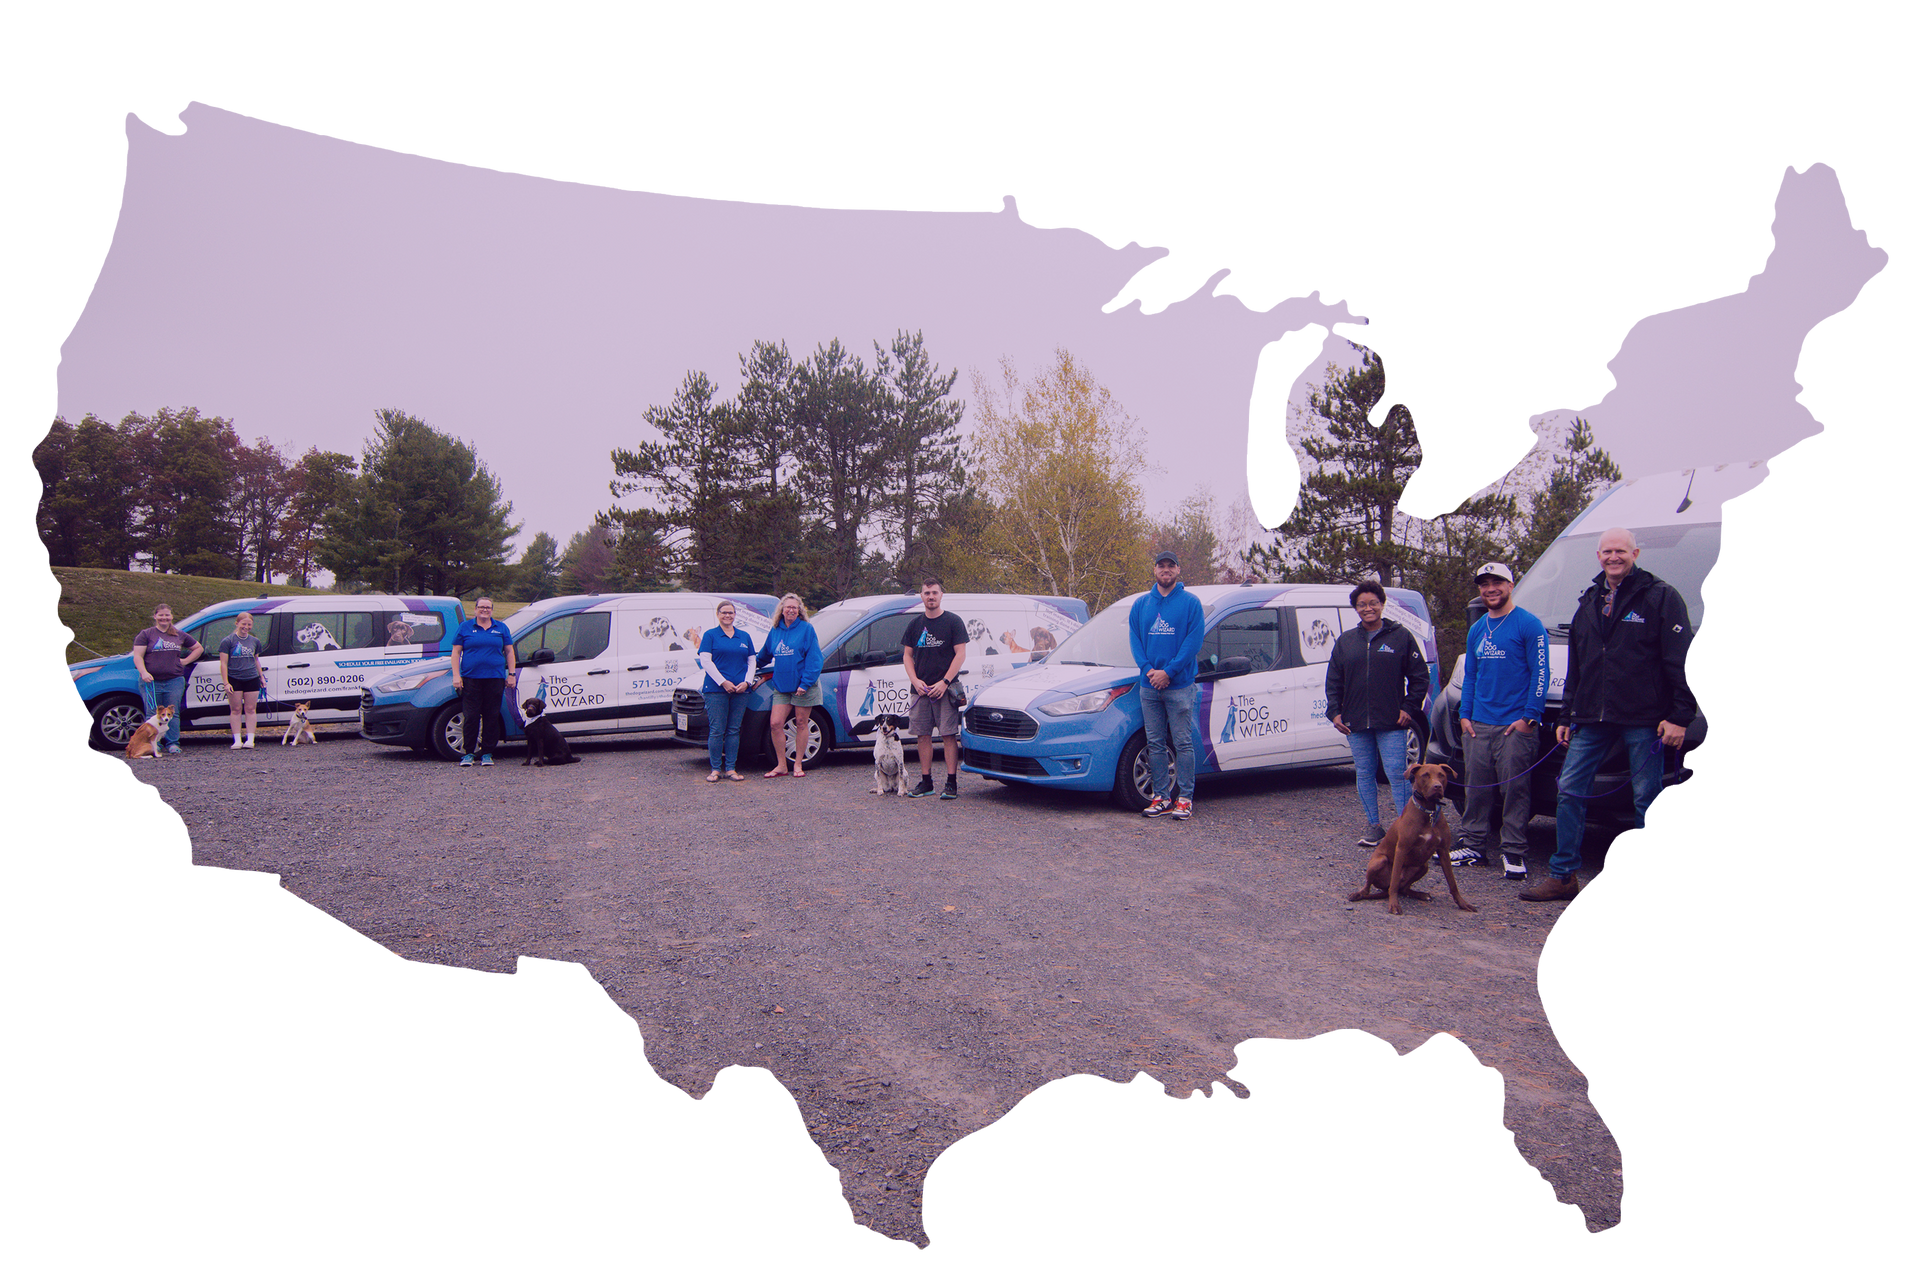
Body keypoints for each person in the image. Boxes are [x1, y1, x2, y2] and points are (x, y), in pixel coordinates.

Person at [1525, 527, 1695, 902]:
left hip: (1644, 718)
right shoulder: (1589, 601)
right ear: (1598, 556)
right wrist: (1567, 716)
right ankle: (1563, 876)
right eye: (1606, 551)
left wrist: (1680, 715)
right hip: (1590, 719)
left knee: (1646, 798)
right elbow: (1579, 666)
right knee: (1568, 791)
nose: (1613, 557)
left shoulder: (1660, 597)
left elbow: (1680, 660)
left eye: (1620, 550)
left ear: (1635, 552)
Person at [1452, 563, 1548, 879]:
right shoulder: (1478, 628)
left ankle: (1514, 852)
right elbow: (1472, 675)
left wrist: (1528, 718)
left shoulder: (1529, 625)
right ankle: (1474, 846)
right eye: (1484, 584)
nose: (1490, 589)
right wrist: (1465, 715)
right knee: (1476, 789)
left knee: (1514, 791)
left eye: (1497, 582)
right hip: (1478, 725)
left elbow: (1541, 674)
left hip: (1514, 727)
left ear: (1510, 584)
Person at [1325, 581, 1430, 847]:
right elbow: (1333, 681)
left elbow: (1419, 678)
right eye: (1362, 604)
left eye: (1373, 603)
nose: (1368, 608)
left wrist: (1408, 708)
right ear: (1356, 608)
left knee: (1397, 773)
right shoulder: (1346, 641)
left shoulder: (1401, 636)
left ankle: (1409, 827)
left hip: (1392, 722)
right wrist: (1335, 713)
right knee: (1364, 772)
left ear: (1382, 604)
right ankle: (1374, 826)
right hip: (1355, 722)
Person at [1127, 551, 1205, 819]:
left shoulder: (1191, 604)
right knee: (1155, 742)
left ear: (1178, 570)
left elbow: (1193, 643)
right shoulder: (1140, 605)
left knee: (1183, 742)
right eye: (1161, 566)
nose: (1166, 570)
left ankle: (1184, 798)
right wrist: (1149, 671)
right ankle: (1161, 796)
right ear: (1155, 570)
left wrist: (1168, 672)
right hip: (1149, 686)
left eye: (1170, 566)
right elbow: (1135, 641)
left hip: (1179, 685)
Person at [901, 578, 969, 798]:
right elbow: (907, 656)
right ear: (921, 596)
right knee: (922, 736)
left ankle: (951, 783)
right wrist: (915, 681)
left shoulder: (953, 622)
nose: (930, 596)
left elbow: (960, 654)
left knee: (949, 735)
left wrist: (945, 682)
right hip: (920, 692)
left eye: (934, 593)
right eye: (926, 593)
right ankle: (926, 782)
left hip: (945, 691)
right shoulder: (914, 625)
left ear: (941, 595)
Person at [756, 593, 822, 778]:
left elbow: (815, 659)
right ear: (782, 610)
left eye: (795, 607)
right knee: (776, 723)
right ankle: (781, 765)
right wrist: (747, 667)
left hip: (803, 686)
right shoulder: (776, 630)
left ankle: (798, 765)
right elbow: (764, 656)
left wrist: (806, 683)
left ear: (799, 611)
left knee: (801, 723)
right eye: (788, 607)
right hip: (782, 686)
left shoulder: (807, 629)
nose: (791, 610)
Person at [450, 597, 516, 766]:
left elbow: (509, 652)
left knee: (491, 716)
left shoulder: (501, 628)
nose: (485, 610)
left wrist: (512, 674)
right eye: (481, 607)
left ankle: (487, 753)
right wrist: (456, 676)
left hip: (494, 679)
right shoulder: (465, 627)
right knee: (471, 717)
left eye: (488, 607)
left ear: (492, 609)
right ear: (475, 609)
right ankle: (469, 753)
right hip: (471, 679)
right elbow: (456, 653)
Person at [696, 600, 757, 782]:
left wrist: (747, 682)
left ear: (735, 615)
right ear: (718, 614)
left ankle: (731, 768)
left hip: (740, 691)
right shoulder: (710, 635)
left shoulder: (744, 636)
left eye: (730, 613)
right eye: (724, 612)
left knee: (733, 730)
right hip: (716, 690)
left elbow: (752, 661)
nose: (727, 616)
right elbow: (706, 661)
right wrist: (723, 682)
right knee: (717, 730)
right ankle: (715, 769)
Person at [131, 603, 204, 755]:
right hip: (151, 681)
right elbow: (137, 656)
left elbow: (198, 648)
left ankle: (172, 743)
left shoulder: (179, 634)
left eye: (167, 615)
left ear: (171, 616)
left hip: (174, 680)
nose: (164, 618)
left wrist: (184, 661)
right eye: (161, 615)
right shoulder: (146, 634)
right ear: (155, 616)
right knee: (152, 713)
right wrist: (144, 672)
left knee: (173, 713)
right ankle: (153, 744)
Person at [218, 611, 268, 750]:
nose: (246, 627)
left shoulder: (254, 641)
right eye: (243, 624)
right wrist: (226, 682)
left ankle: (250, 738)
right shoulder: (228, 641)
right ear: (237, 624)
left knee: (251, 709)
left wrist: (261, 677)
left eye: (249, 624)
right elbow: (223, 663)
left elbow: (256, 659)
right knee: (236, 709)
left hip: (251, 677)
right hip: (234, 678)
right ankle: (237, 739)